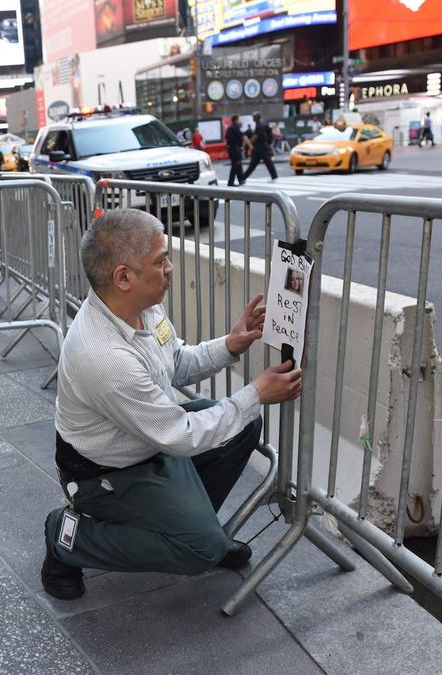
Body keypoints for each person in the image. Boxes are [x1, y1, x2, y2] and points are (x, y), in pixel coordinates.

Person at [41, 208, 303, 600]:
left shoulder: (142, 306)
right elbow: (180, 436)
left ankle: (190, 529)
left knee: (244, 425)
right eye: (161, 260)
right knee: (202, 549)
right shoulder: (104, 356)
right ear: (123, 277)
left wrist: (230, 344)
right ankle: (67, 537)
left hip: (150, 444)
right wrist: (256, 393)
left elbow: (175, 361)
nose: (170, 267)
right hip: (106, 475)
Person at [242, 112, 278, 182]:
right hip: (261, 147)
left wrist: (248, 143)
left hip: (261, 148)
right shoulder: (260, 125)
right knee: (258, 164)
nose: (253, 118)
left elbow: (255, 137)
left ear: (256, 118)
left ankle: (243, 178)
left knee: (264, 163)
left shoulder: (259, 126)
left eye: (254, 117)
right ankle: (243, 178)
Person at [224, 115, 245, 187]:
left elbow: (226, 138)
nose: (240, 121)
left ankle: (240, 179)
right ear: (236, 120)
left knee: (237, 165)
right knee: (235, 166)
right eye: (239, 120)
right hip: (236, 149)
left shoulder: (229, 128)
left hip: (231, 150)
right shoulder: (236, 128)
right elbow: (242, 137)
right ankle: (231, 182)